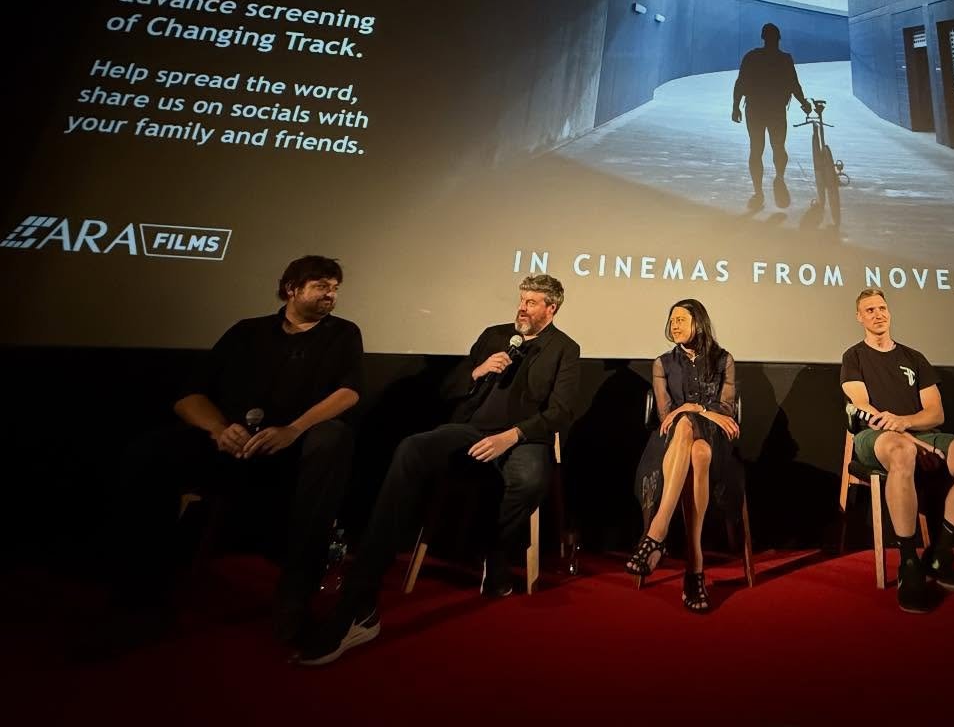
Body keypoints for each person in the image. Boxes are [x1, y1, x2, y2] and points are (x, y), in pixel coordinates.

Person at [296, 273, 580, 666]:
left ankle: (494, 551)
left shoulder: (564, 348)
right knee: (412, 448)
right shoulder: (495, 335)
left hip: (522, 438)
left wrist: (511, 436)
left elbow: (561, 412)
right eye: (521, 299)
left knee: (530, 480)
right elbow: (452, 387)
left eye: (531, 302)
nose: (522, 308)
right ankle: (359, 599)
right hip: (470, 429)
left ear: (551, 308)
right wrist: (477, 372)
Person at [99, 255, 362, 651]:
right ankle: (137, 597)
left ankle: (294, 600)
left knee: (333, 439)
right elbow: (189, 395)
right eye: (322, 286)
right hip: (229, 445)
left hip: (294, 454)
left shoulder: (342, 334)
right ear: (292, 288)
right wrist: (219, 430)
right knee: (148, 452)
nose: (331, 295)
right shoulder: (246, 332)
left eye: (335, 288)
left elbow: (348, 392)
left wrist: (293, 430)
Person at [841, 288, 954, 612]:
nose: (878, 314)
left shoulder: (914, 357)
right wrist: (907, 437)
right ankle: (909, 563)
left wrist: (907, 423)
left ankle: (940, 554)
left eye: (882, 308)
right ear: (859, 317)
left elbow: (935, 413)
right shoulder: (853, 357)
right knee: (902, 451)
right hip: (875, 437)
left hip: (922, 433)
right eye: (870, 310)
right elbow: (862, 406)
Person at [626, 299, 743, 611]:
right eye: (672, 320)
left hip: (716, 439)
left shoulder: (723, 359)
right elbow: (666, 414)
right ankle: (695, 569)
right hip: (669, 446)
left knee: (699, 442)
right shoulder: (662, 363)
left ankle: (657, 532)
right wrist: (691, 411)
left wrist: (694, 408)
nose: (674, 325)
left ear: (698, 323)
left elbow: (726, 410)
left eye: (681, 319)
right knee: (692, 442)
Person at [732, 22, 812, 211]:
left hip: (755, 111)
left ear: (762, 37)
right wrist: (804, 103)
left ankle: (758, 192)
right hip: (776, 111)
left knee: (756, 149)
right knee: (779, 147)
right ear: (779, 38)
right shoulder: (785, 59)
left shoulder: (751, 57)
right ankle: (780, 177)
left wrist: (735, 107)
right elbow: (794, 84)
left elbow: (740, 83)